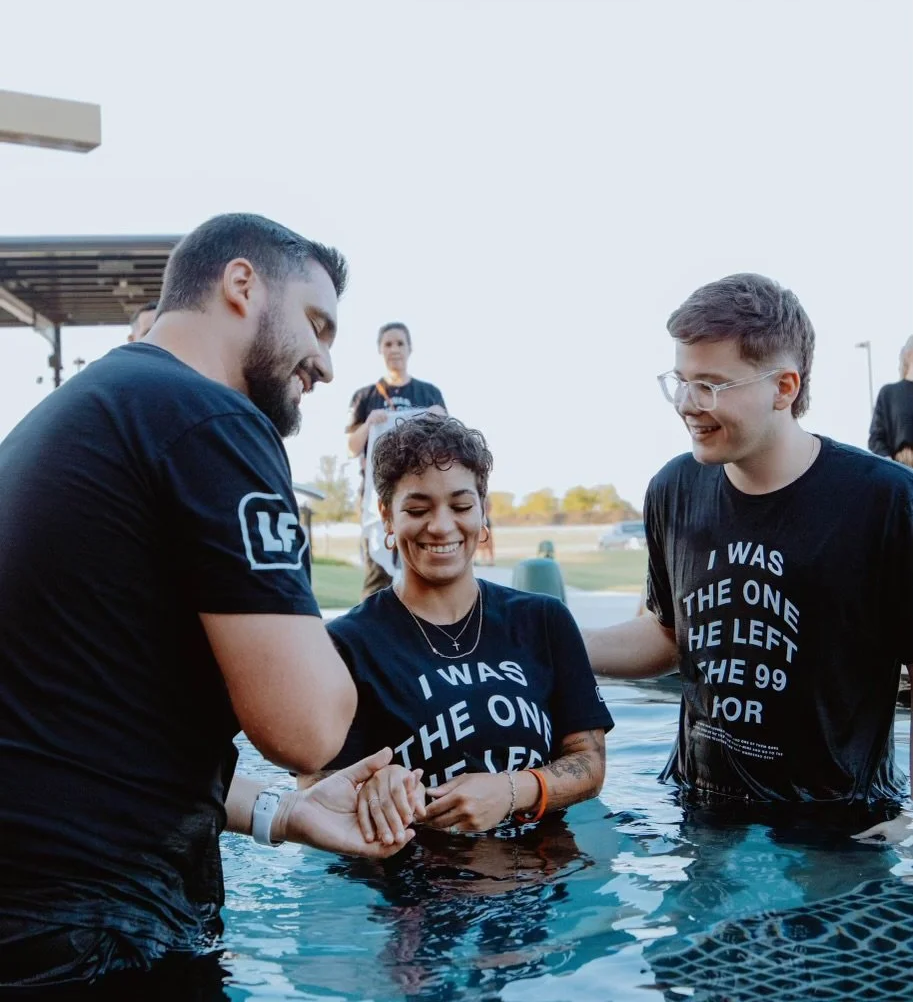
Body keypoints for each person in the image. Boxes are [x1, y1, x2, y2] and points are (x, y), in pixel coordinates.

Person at [0, 213, 419, 993]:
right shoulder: (210, 418)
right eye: (316, 324)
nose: (327, 364)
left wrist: (281, 813)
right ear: (241, 285)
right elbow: (307, 729)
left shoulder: (77, 416)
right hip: (98, 933)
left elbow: (86, 734)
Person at [585, 273, 913, 836]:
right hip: (697, 810)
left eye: (711, 385)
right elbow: (670, 635)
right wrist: (550, 641)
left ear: (784, 387)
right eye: (681, 381)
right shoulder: (673, 489)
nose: (688, 404)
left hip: (839, 826)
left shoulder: (884, 501)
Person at [307, 413, 613, 842]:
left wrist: (511, 791)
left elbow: (590, 764)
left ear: (483, 511)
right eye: (417, 509)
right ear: (387, 516)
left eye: (461, 506)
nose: (441, 526)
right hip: (416, 880)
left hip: (547, 874)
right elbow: (316, 795)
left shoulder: (544, 620)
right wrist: (373, 787)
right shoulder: (346, 644)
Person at [346, 322, 447, 598]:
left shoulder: (429, 394)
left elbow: (449, 448)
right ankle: (371, 623)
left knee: (422, 566)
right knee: (377, 573)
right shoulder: (365, 396)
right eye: (388, 344)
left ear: (410, 348)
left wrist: (440, 420)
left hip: (421, 495)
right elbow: (351, 447)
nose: (394, 349)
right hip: (378, 498)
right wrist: (368, 424)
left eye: (400, 343)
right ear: (380, 350)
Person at [868, 334, 913, 467]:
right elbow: (876, 438)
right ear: (910, 354)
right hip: (903, 469)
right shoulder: (889, 393)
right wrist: (892, 467)